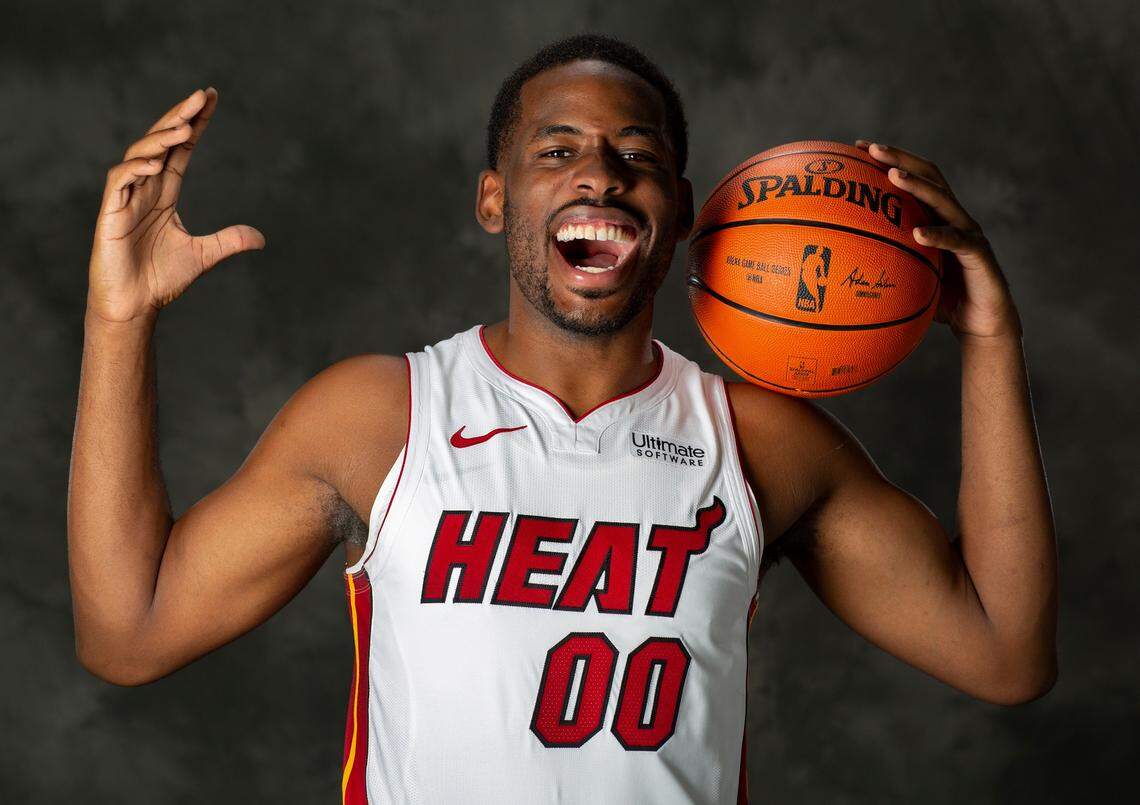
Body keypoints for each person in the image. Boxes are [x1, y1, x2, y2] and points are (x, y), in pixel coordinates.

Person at [68, 33, 1058, 805]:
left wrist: (991, 342)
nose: (600, 172)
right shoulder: (379, 416)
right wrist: (119, 320)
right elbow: (130, 632)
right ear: (496, 200)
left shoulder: (757, 440)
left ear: (676, 206)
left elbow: (1004, 652)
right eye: (559, 150)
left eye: (635, 153)